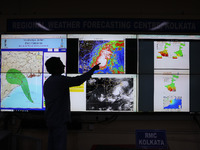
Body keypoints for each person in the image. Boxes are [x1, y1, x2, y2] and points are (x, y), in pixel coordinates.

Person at [43, 57, 100, 150]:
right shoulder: (60, 80)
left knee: (52, 145)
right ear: (57, 68)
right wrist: (92, 70)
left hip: (51, 119)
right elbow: (78, 80)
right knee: (59, 146)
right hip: (59, 121)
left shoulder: (48, 82)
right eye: (62, 64)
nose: (64, 66)